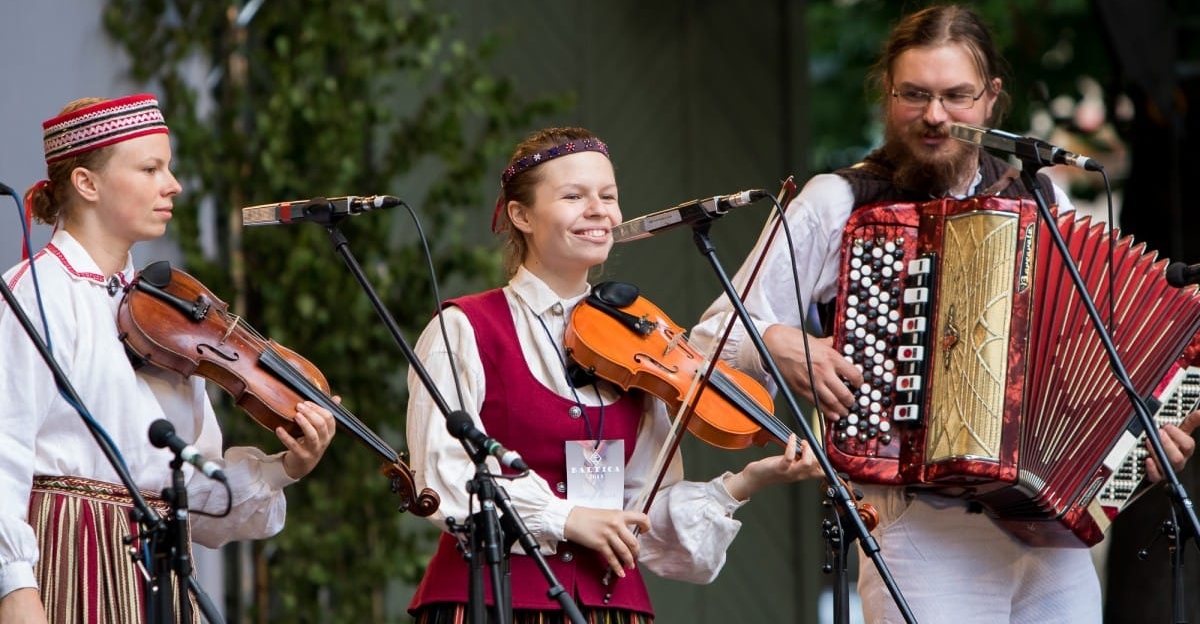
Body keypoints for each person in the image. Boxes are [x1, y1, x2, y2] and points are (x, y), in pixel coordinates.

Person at [689, 3, 1200, 624]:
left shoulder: (1042, 196)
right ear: (888, 92)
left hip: (1049, 528)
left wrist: (1135, 448)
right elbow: (711, 337)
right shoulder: (839, 201)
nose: (934, 116)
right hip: (919, 528)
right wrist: (779, 341)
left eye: (956, 96)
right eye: (915, 95)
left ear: (992, 99)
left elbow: (1079, 361)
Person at [405, 126, 822, 623]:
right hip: (491, 601)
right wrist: (567, 518)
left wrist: (747, 481)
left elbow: (645, 515)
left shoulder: (640, 344)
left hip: (610, 609)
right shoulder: (462, 328)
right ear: (521, 215)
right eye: (573, 196)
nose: (599, 209)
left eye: (608, 195)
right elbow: (441, 475)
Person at [0, 94, 338, 624]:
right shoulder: (33, 294)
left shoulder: (169, 317)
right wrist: (14, 587)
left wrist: (283, 470)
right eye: (151, 168)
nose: (172, 184)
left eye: (169, 166)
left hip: (160, 570)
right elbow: (3, 454)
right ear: (87, 184)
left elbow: (195, 493)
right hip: (69, 562)